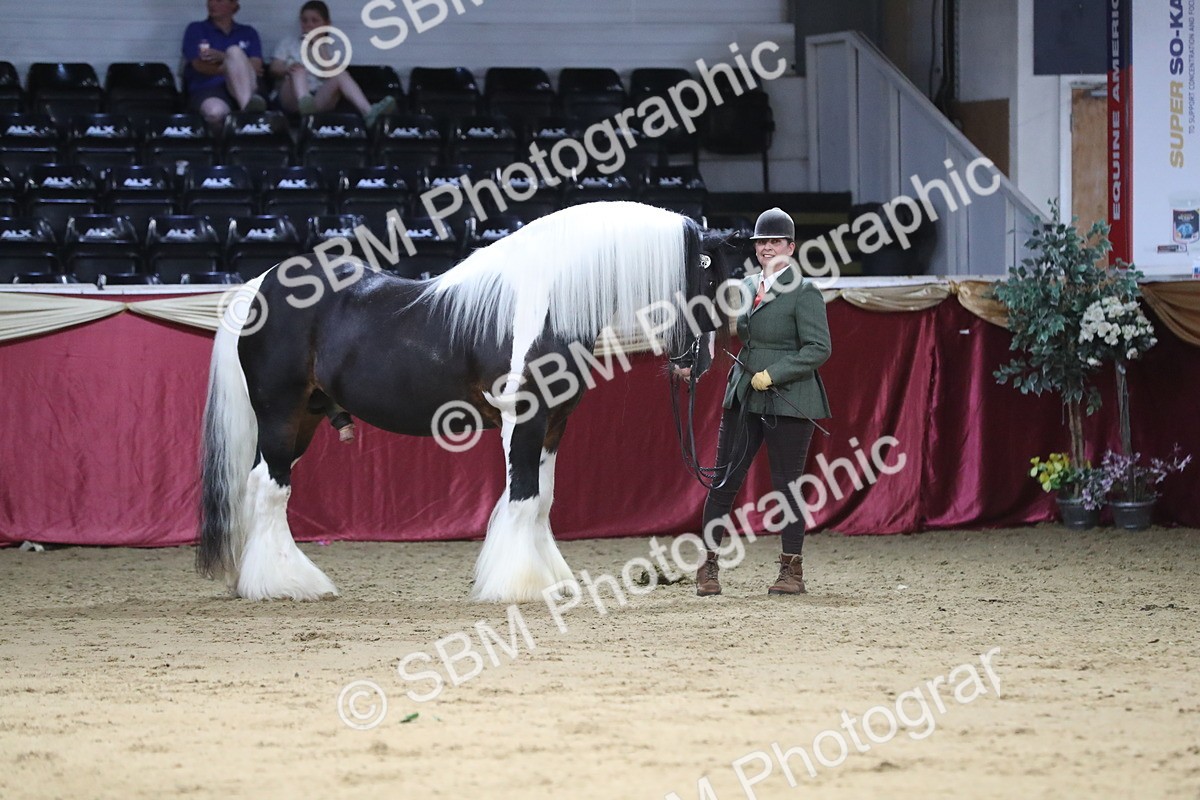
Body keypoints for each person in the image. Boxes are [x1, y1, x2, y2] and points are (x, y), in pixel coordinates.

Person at [682, 207, 832, 596]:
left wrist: (776, 373)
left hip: (788, 394)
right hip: (744, 392)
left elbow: (819, 348)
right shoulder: (746, 286)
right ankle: (708, 565)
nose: (767, 247)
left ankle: (791, 571)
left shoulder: (805, 291)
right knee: (724, 479)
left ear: (790, 247)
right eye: (762, 242)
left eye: (774, 242)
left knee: (788, 486)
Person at [270, 1, 397, 128]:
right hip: (290, 97)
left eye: (314, 21)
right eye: (304, 21)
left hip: (317, 98)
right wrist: (289, 68)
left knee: (340, 74)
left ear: (326, 24)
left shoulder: (332, 47)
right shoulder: (288, 43)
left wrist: (319, 46)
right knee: (298, 71)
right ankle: (305, 107)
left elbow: (330, 73)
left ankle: (369, 113)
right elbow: (274, 68)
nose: (309, 25)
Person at [182, 0, 268, 131]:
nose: (212, 4)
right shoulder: (196, 29)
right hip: (210, 88)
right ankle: (249, 119)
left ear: (233, 4)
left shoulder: (248, 32)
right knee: (215, 112)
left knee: (234, 51)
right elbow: (199, 66)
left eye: (218, 0)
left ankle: (248, 116)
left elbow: (256, 66)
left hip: (248, 87)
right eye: (210, 0)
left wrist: (223, 57)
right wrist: (233, 68)